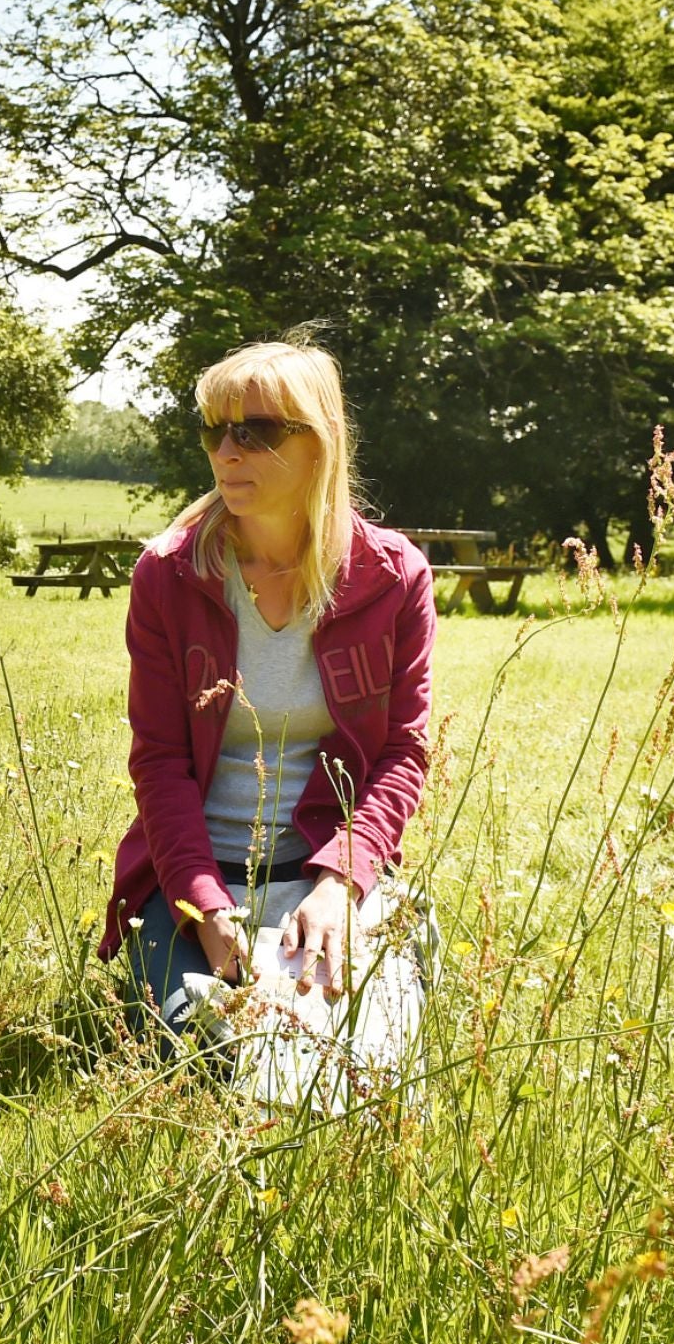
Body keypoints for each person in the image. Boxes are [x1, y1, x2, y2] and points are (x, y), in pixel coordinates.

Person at [101, 340, 438, 1111]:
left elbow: (401, 753)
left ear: (318, 440)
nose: (226, 451)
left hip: (326, 876)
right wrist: (203, 905)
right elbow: (159, 763)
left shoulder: (392, 577)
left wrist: (340, 884)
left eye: (255, 431)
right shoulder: (169, 575)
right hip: (196, 876)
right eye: (215, 429)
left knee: (367, 1062)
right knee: (211, 1058)